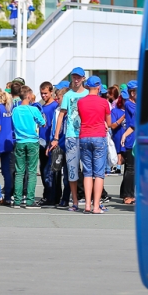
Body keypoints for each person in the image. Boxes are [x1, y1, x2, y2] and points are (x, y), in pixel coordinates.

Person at [49, 67, 88, 212]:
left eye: (79, 77)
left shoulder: (87, 94)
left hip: (86, 134)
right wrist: (56, 137)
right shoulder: (67, 96)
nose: (76, 80)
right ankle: (75, 202)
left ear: (83, 78)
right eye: (74, 77)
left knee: (88, 170)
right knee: (72, 171)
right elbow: (61, 116)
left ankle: (89, 201)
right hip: (71, 136)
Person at [78, 76, 111, 214]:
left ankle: (87, 205)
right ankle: (96, 206)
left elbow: (82, 117)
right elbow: (108, 123)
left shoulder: (81, 101)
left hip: (84, 135)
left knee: (87, 172)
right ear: (98, 87)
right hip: (99, 136)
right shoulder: (103, 102)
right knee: (99, 173)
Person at [11, 87, 45, 209]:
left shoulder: (15, 110)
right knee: (31, 171)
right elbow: (42, 122)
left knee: (19, 171)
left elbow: (12, 124)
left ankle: (17, 200)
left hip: (20, 140)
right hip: (32, 141)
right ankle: (30, 200)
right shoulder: (33, 109)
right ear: (29, 96)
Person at [38, 81, 59, 206]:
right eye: (42, 93)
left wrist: (52, 141)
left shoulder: (55, 106)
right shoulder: (43, 107)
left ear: (51, 92)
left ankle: (52, 196)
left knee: (49, 171)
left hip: (50, 142)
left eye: (46, 93)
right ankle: (47, 195)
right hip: (42, 142)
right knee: (43, 169)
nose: (43, 96)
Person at [120, 80, 138, 205]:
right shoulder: (129, 104)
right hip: (132, 139)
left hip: (136, 139)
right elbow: (136, 121)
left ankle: (126, 192)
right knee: (131, 169)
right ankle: (128, 195)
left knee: (131, 169)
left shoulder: (135, 104)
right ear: (132, 93)